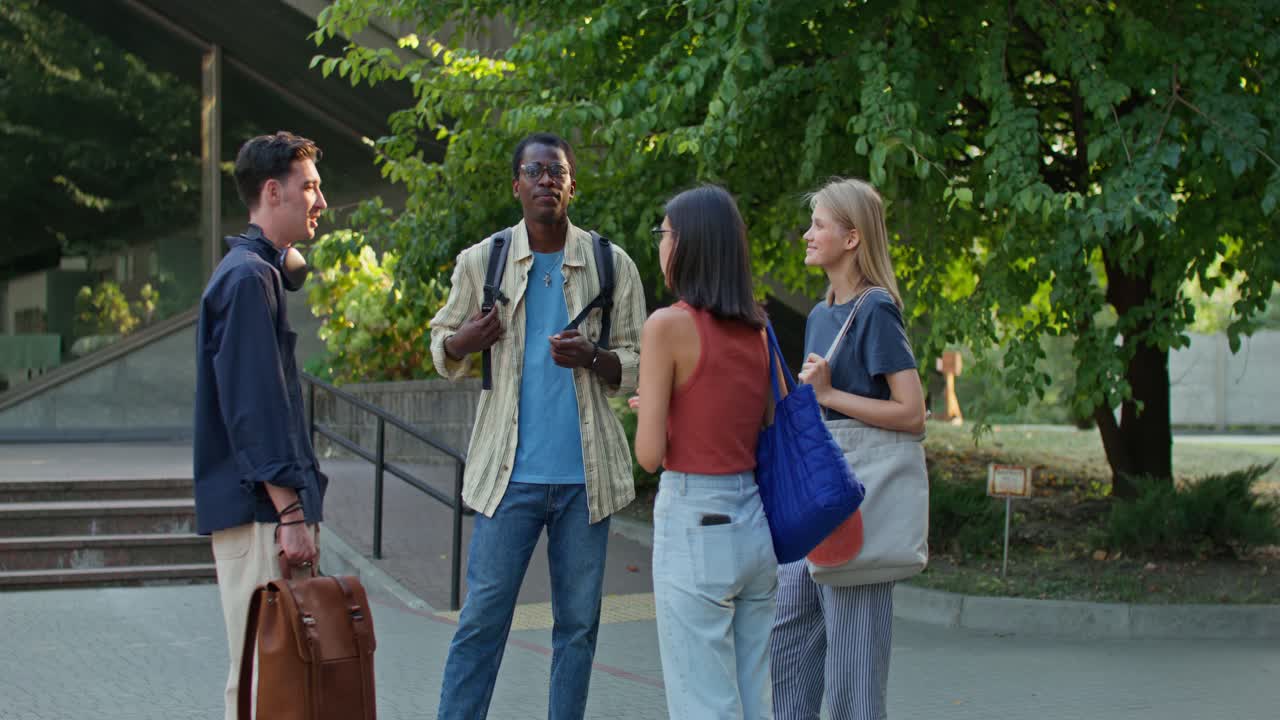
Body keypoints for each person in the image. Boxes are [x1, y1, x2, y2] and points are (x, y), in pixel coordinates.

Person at [430, 132, 647, 720]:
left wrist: (594, 358)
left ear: (572, 185)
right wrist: (462, 341)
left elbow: (638, 363)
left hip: (585, 481)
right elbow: (440, 343)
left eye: (558, 172)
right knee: (481, 622)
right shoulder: (483, 261)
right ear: (517, 185)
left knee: (576, 629)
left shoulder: (611, 263)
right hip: (507, 479)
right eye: (535, 170)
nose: (547, 180)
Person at [770, 177, 926, 720]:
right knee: (788, 640)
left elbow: (912, 413)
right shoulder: (820, 313)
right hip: (818, 501)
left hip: (860, 506)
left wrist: (832, 393)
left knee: (855, 680)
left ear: (853, 237)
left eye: (819, 225)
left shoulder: (876, 310)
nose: (808, 235)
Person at [193, 131, 330, 720]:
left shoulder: (256, 272)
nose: (321, 201)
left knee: (273, 671)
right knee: (262, 674)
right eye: (310, 188)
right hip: (261, 512)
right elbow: (255, 409)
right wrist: (292, 514)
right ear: (272, 192)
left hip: (262, 509)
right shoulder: (248, 279)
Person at [633, 185, 777, 719]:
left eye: (664, 234)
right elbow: (755, 422)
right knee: (753, 701)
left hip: (696, 521)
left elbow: (649, 455)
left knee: (703, 705)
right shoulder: (758, 329)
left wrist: (653, 406)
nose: (660, 245)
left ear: (689, 244)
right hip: (753, 526)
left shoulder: (667, 326)